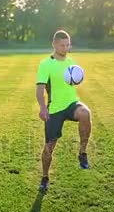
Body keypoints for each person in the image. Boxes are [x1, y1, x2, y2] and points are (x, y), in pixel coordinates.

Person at [35, 29, 92, 191]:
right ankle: (45, 177)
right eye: (62, 45)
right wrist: (42, 107)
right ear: (54, 44)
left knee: (85, 113)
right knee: (49, 147)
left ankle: (82, 153)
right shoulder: (46, 64)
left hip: (72, 103)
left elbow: (74, 80)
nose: (65, 48)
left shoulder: (72, 63)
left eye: (67, 45)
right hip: (55, 109)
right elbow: (39, 89)